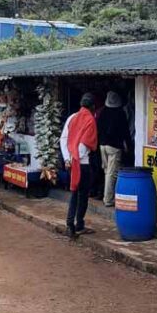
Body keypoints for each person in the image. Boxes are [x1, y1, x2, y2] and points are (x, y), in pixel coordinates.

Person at [60, 92, 98, 239]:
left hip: (71, 163)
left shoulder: (72, 117)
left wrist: (67, 158)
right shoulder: (90, 120)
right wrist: (76, 157)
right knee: (82, 196)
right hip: (82, 164)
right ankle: (79, 225)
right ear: (93, 106)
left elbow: (63, 138)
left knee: (74, 193)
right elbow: (84, 144)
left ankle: (70, 224)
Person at [97, 91, 133, 207]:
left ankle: (106, 196)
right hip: (114, 147)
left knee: (106, 171)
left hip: (102, 145)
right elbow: (125, 132)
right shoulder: (120, 113)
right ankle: (108, 199)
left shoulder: (103, 112)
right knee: (111, 174)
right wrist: (129, 146)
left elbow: (98, 129)